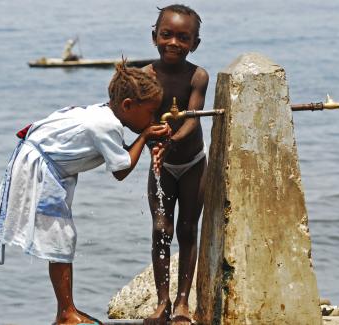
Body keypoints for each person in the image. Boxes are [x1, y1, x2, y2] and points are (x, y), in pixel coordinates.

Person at [0, 61, 170, 325]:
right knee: (61, 238)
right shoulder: (107, 126)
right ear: (128, 106)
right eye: (151, 112)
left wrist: (142, 135)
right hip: (42, 171)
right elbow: (121, 169)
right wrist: (144, 137)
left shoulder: (105, 114)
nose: (152, 119)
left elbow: (119, 153)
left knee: (62, 238)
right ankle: (66, 314)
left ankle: (66, 310)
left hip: (42, 162)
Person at [141, 4, 209, 325]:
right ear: (154, 36)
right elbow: (137, 117)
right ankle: (162, 302)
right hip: (161, 166)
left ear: (194, 43)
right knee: (160, 230)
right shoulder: (146, 77)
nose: (173, 43)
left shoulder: (197, 76)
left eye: (183, 38)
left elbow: (193, 122)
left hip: (193, 164)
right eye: (166, 35)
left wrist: (171, 141)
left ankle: (183, 302)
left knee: (186, 229)